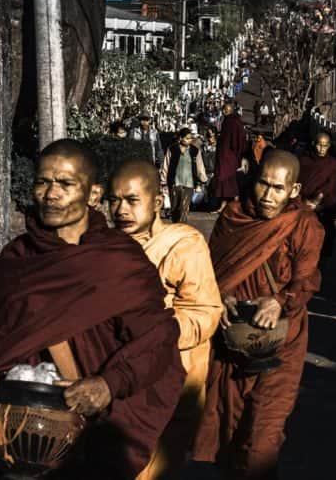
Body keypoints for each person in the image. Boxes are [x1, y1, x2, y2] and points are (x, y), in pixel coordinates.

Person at [0, 139, 185, 480]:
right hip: (20, 420)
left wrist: (108, 384)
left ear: (94, 193)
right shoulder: (18, 258)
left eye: (66, 184)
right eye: (43, 182)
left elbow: (157, 338)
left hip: (91, 421)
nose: (51, 194)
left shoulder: (119, 260)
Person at [192, 150, 324, 478]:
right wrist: (221, 297)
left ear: (293, 191)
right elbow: (213, 272)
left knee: (262, 437)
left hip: (282, 342)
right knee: (230, 429)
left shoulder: (304, 224)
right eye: (263, 184)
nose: (267, 196)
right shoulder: (233, 217)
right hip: (233, 340)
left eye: (278, 188)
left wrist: (280, 300)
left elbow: (306, 278)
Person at [108, 160, 223, 480]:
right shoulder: (106, 247)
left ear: (157, 202)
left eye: (132, 201)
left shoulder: (184, 244)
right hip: (121, 378)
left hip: (174, 378)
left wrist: (155, 333)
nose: (121, 210)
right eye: (113, 200)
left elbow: (205, 312)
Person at [298, 132, 336, 260]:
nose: (322, 149)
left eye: (325, 145)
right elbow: (299, 181)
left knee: (325, 235)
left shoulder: (333, 164)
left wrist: (317, 201)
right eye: (319, 145)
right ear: (314, 144)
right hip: (305, 203)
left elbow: (331, 184)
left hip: (325, 205)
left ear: (329, 146)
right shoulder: (304, 161)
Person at [160, 127, 209, 224]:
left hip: (189, 183)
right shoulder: (172, 149)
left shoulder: (195, 151)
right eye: (187, 138)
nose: (189, 140)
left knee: (184, 208)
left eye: (190, 138)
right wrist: (163, 180)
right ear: (180, 138)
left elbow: (199, 165)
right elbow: (166, 164)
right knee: (175, 208)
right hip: (174, 183)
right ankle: (176, 225)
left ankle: (182, 227)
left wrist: (203, 179)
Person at [211, 101, 247, 214]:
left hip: (229, 157)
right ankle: (223, 205)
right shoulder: (228, 121)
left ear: (231, 109)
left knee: (228, 181)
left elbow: (237, 140)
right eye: (223, 109)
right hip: (225, 156)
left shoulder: (233, 122)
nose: (223, 111)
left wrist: (238, 155)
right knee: (226, 182)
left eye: (226, 109)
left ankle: (236, 205)